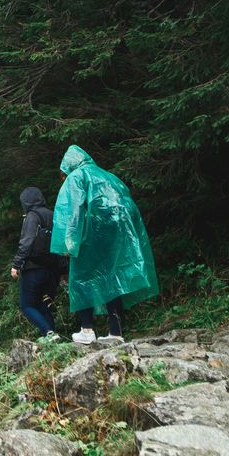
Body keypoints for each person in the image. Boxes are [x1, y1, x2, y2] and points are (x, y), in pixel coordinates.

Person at [51, 145, 159, 345]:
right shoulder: (108, 176)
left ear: (68, 165)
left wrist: (69, 244)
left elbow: (74, 213)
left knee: (82, 279)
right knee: (112, 279)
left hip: (89, 238)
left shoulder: (77, 177)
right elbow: (127, 206)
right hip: (115, 239)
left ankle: (86, 329)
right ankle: (116, 332)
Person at [10, 187, 64, 342]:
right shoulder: (53, 215)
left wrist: (17, 264)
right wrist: (63, 269)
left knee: (27, 305)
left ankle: (48, 333)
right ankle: (53, 338)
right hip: (53, 269)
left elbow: (26, 242)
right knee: (44, 304)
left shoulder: (32, 216)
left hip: (34, 268)